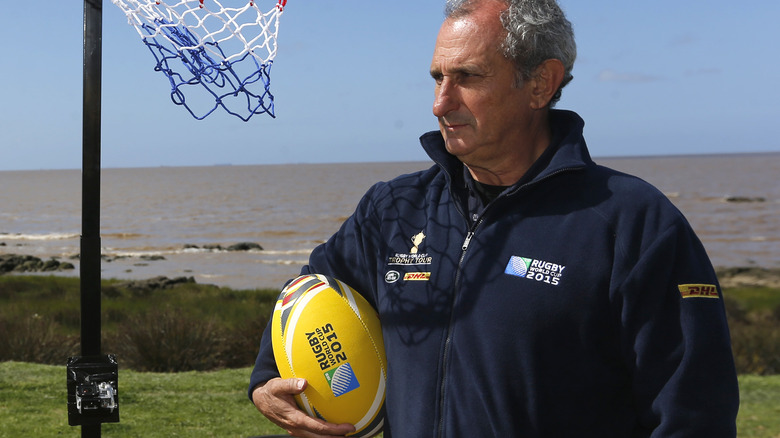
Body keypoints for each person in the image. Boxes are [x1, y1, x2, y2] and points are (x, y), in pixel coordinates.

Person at [249, 0, 740, 436]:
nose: (440, 102)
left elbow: (693, 412)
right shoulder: (393, 208)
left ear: (541, 84)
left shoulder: (634, 222)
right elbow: (310, 292)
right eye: (438, 77)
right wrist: (268, 381)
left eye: (468, 77)